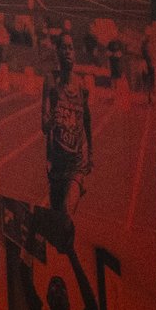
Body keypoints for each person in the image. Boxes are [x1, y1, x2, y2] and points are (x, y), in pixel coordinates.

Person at [42, 28, 94, 219]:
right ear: (57, 52)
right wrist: (52, 120)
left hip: (76, 164)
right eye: (63, 48)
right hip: (56, 164)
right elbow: (43, 126)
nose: (68, 52)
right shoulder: (50, 82)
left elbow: (87, 121)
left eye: (71, 48)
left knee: (66, 215)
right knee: (57, 221)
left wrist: (91, 156)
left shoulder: (82, 86)